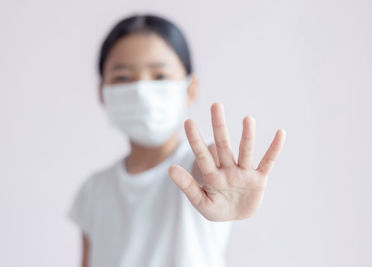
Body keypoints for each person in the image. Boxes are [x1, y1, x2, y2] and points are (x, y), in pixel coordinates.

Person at [68, 14, 286, 267]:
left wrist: (225, 178)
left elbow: (209, 171)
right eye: (123, 77)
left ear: (190, 89)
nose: (142, 91)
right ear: (102, 92)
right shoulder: (94, 191)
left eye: (159, 76)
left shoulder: (197, 169)